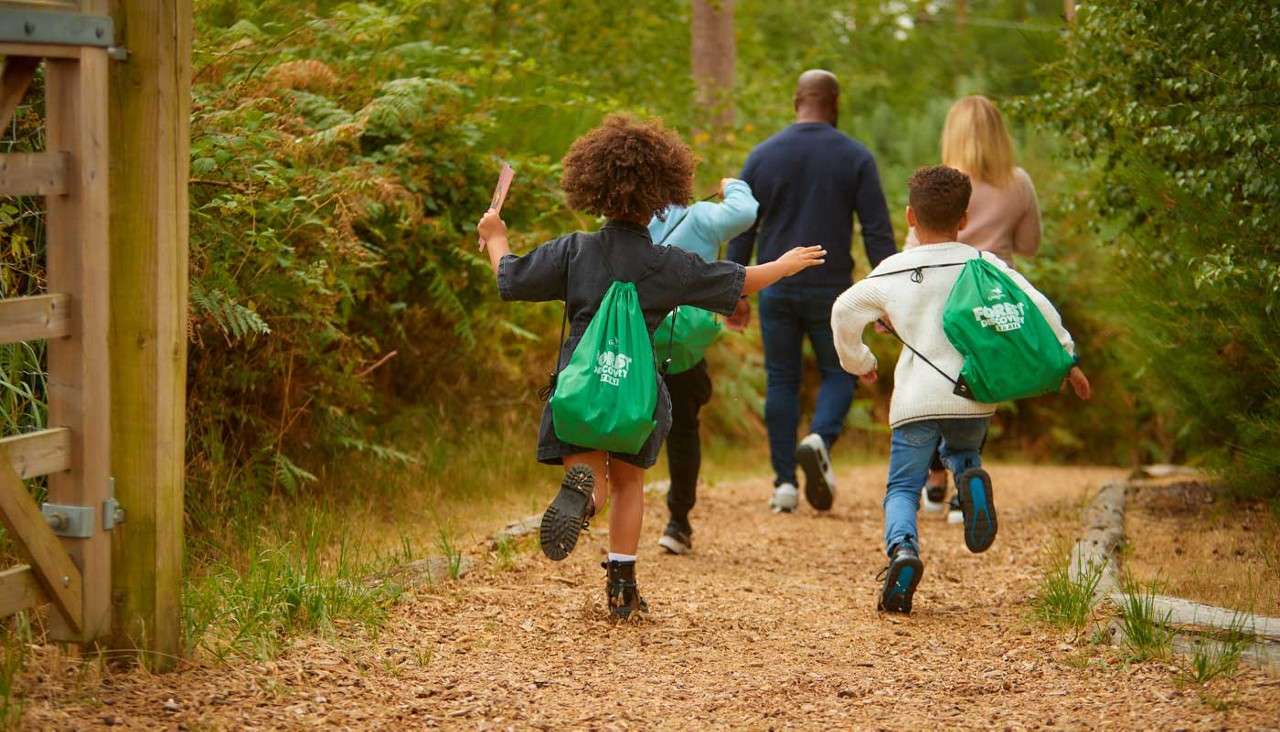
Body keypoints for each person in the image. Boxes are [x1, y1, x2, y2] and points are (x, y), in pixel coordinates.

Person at [475, 115, 825, 620]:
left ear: (590, 187)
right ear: (662, 196)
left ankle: (581, 499)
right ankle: (622, 589)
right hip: (637, 390)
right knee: (629, 484)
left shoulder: (574, 250)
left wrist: (495, 235)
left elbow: (510, 279)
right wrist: (786, 264)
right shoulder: (669, 262)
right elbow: (736, 280)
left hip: (580, 387)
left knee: (591, 476)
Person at [830, 165, 1090, 613]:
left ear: (910, 218)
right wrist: (1067, 360)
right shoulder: (983, 264)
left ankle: (903, 551)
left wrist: (861, 362)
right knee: (963, 452)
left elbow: (843, 311)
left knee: (903, 488)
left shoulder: (892, 270)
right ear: (964, 219)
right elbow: (1035, 305)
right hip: (972, 397)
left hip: (916, 400)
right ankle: (967, 475)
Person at [728, 69, 897, 515]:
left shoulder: (762, 156)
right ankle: (820, 439)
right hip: (832, 289)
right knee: (840, 373)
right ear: (834, 104)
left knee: (781, 380)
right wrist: (888, 298)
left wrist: (734, 292)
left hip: (776, 285)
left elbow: (740, 226)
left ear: (796, 101)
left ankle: (784, 484)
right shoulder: (856, 157)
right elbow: (877, 234)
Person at [906, 95, 1045, 518]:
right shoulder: (1018, 182)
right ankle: (963, 489)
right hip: (991, 298)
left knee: (931, 379)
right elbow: (1030, 244)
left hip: (938, 292)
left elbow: (914, 244)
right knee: (978, 387)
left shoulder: (940, 183)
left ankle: (932, 478)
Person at [648, 177, 758, 555]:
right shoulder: (698, 218)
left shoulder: (624, 219)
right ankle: (678, 522)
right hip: (680, 348)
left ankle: (597, 499)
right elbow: (745, 212)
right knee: (682, 432)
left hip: (632, 341)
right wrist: (735, 184)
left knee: (619, 424)